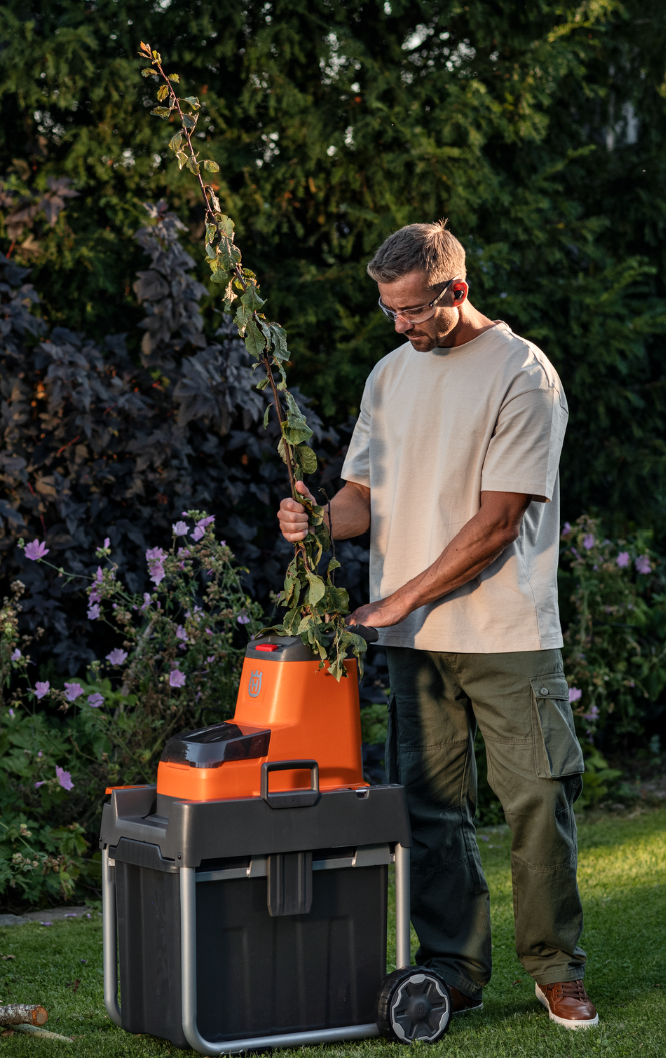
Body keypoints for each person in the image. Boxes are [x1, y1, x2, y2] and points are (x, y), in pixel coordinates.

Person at [277, 221, 597, 1030]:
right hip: (413, 646)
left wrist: (394, 600)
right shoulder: (389, 376)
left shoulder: (524, 375)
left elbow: (496, 524)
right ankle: (454, 966)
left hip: (508, 634)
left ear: (454, 290)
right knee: (427, 811)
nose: (401, 326)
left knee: (535, 800)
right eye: (390, 311)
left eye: (414, 311)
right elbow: (364, 495)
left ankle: (555, 968)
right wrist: (317, 519)